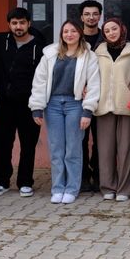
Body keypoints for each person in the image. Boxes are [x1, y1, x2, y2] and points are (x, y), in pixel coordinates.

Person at [29, 20, 100, 204]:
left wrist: (87, 111)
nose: (69, 34)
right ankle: (58, 188)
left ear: (80, 34)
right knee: (57, 149)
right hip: (52, 105)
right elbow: (40, 81)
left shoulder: (88, 56)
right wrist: (37, 108)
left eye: (73, 31)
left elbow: (93, 85)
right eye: (66, 31)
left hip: (75, 104)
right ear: (61, 34)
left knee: (73, 149)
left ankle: (72, 188)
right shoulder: (50, 54)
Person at [0, 7, 46, 198]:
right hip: (4, 102)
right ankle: (1, 181)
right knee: (1, 143)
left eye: (22, 22)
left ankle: (25, 182)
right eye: (14, 23)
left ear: (29, 23)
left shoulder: (40, 47)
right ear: (9, 25)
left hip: (29, 104)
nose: (18, 26)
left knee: (28, 144)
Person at [94, 18, 130, 202]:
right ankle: (107, 187)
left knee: (126, 149)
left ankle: (124, 188)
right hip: (103, 105)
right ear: (104, 34)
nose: (112, 32)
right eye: (107, 30)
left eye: (114, 29)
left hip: (126, 106)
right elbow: (90, 76)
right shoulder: (97, 53)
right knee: (105, 150)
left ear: (122, 30)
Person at [78, 0, 103, 193]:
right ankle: (83, 176)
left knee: (100, 139)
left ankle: (99, 174)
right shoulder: (74, 39)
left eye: (95, 14)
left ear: (99, 16)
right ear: (82, 17)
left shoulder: (108, 38)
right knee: (81, 139)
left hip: (103, 98)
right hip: (79, 99)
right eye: (87, 14)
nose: (91, 17)